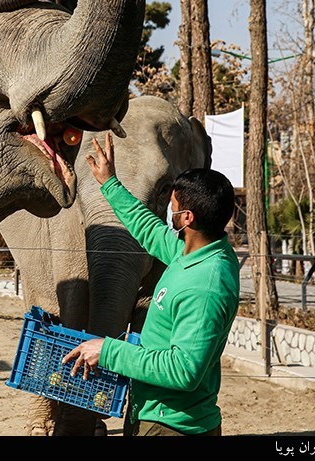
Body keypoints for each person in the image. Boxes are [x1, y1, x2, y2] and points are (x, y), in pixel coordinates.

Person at [62, 132, 240, 437]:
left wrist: (108, 352)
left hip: (172, 425)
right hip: (153, 412)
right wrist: (110, 184)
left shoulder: (205, 287)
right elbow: (150, 231)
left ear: (186, 217)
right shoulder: (194, 253)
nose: (167, 214)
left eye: (171, 207)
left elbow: (183, 371)